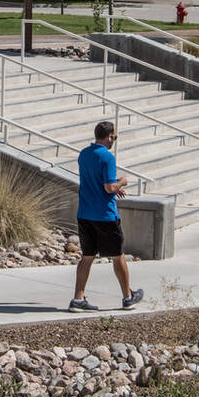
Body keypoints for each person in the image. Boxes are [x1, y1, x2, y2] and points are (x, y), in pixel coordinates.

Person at [71, 120, 143, 312]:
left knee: (87, 257)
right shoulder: (107, 157)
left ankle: (78, 299)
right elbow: (109, 186)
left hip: (85, 213)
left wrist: (112, 186)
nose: (114, 141)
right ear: (109, 136)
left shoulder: (84, 154)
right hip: (105, 216)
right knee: (118, 256)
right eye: (114, 137)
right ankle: (128, 297)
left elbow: (96, 180)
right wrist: (122, 182)